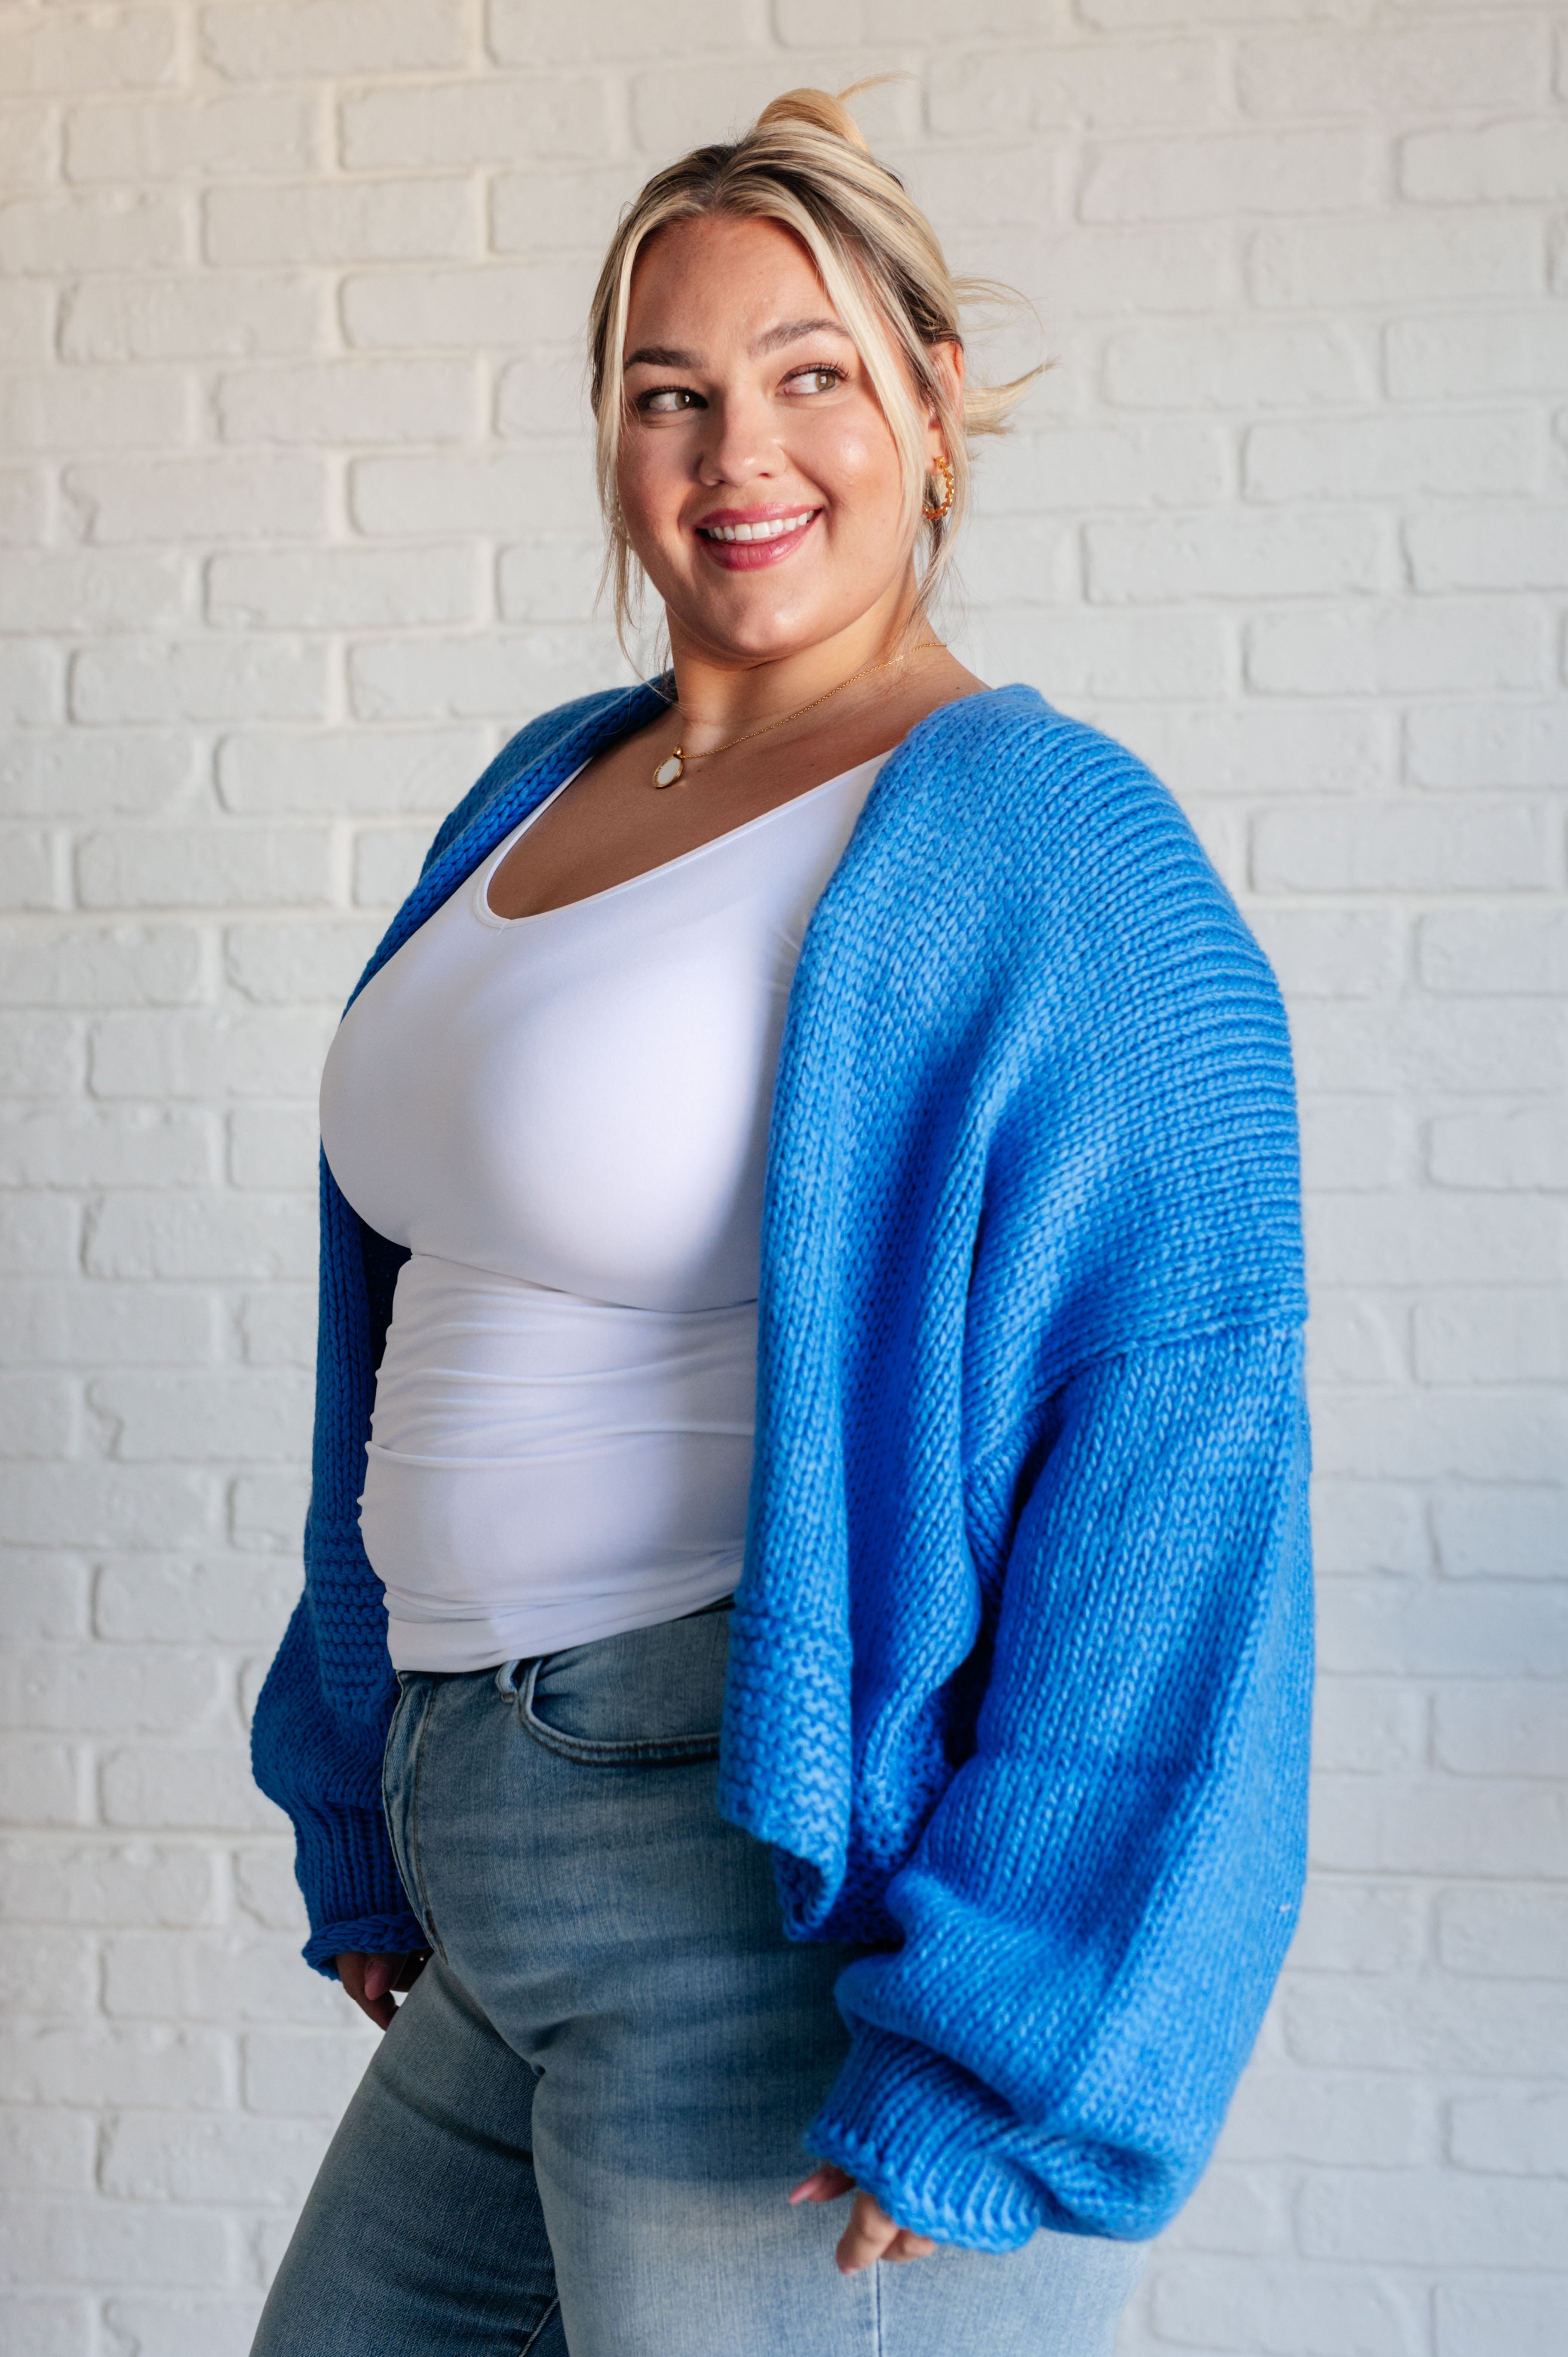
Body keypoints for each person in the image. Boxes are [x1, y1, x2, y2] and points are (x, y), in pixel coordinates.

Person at [248, 85, 1312, 2357]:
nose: (742, 450)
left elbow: (1180, 1470)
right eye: (673, 391)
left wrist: (1001, 2043)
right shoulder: (545, 780)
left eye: (813, 373)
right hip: (489, 1847)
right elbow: (415, 1310)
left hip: (766, 1891)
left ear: (936, 404)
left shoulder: (1046, 845)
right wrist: (360, 1787)